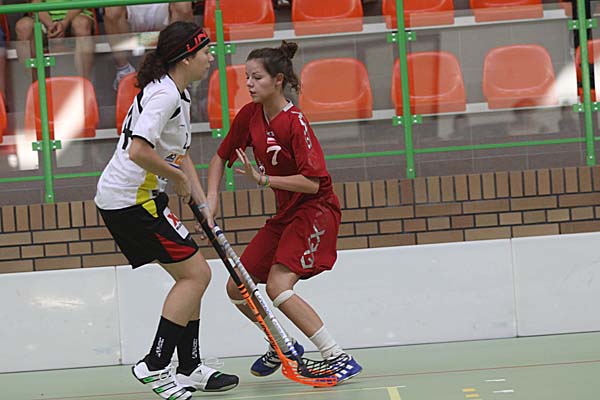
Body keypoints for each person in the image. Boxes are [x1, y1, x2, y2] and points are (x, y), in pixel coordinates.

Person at [95, 21, 238, 400]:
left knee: (194, 275)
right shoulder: (164, 96)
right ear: (186, 57)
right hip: (130, 201)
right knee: (196, 275)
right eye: (205, 51)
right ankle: (155, 364)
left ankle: (189, 367)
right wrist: (176, 179)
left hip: (139, 199)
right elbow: (138, 151)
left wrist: (203, 205)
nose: (211, 58)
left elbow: (180, 154)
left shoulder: (177, 93)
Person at [206, 41, 363, 384]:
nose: (249, 84)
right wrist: (211, 199)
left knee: (278, 286)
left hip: (314, 210)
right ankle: (282, 344)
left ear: (278, 80)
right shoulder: (250, 115)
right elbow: (220, 156)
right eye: (247, 78)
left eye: (257, 77)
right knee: (236, 287)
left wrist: (264, 180)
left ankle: (337, 356)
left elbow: (312, 183)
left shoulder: (296, 123)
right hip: (285, 214)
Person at [103, 2, 194, 90]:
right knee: (112, 9)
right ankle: (124, 70)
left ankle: (176, 67)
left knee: (183, 5)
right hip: (129, 8)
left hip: (162, 6)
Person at [15, 0, 95, 79]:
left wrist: (65, 22)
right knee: (23, 27)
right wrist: (50, 25)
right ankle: (36, 84)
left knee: (82, 24)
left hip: (76, 15)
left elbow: (81, 2)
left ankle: (84, 83)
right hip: (43, 20)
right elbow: (36, 2)